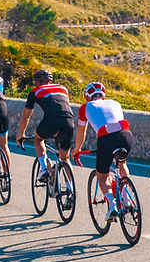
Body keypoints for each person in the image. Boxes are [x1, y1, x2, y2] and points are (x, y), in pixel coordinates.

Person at [74, 81, 134, 222]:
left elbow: (81, 132)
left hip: (106, 137)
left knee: (102, 175)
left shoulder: (85, 107)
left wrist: (77, 149)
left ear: (87, 97)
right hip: (126, 134)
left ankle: (112, 206)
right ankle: (126, 198)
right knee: (121, 162)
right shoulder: (115, 102)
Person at [17, 69, 76, 185]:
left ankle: (44, 168)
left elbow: (26, 116)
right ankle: (71, 189)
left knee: (38, 138)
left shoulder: (35, 91)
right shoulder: (63, 88)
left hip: (51, 120)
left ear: (38, 82)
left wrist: (21, 134)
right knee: (65, 158)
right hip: (69, 121)